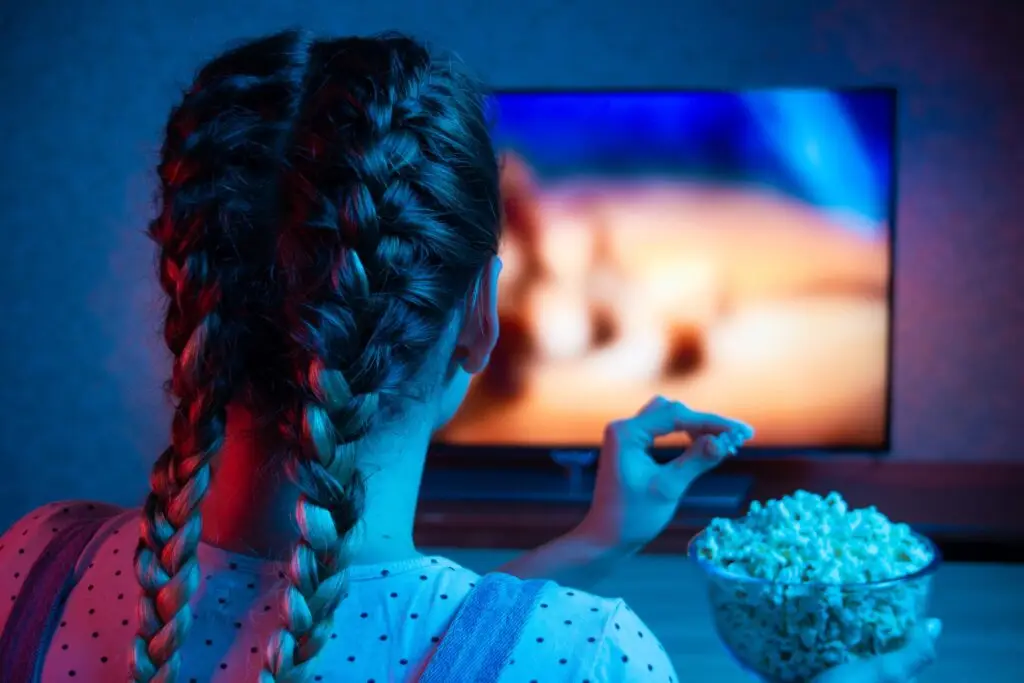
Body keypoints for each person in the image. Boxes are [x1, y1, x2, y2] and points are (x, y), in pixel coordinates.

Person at [0, 30, 938, 683]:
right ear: (481, 313)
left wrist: (591, 541)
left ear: (189, 290)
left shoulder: (31, 562)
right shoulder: (587, 656)